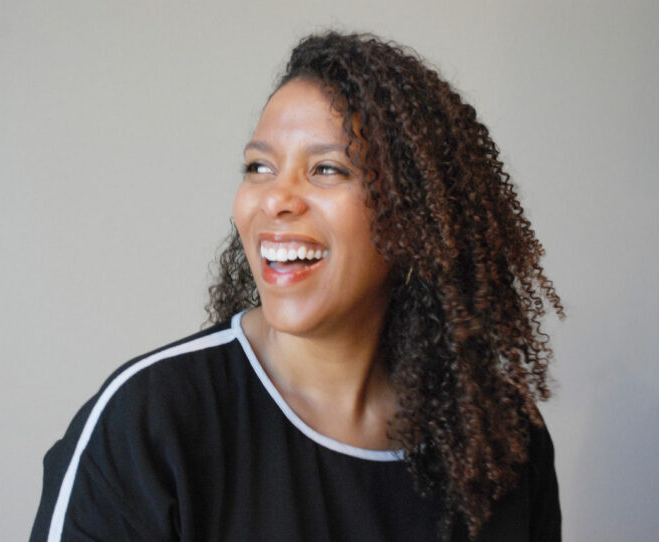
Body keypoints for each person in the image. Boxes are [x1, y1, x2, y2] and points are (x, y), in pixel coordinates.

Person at [30, 31, 564, 542]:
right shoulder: (149, 423)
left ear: (415, 215)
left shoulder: (501, 440)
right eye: (258, 167)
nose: (276, 198)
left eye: (327, 170)